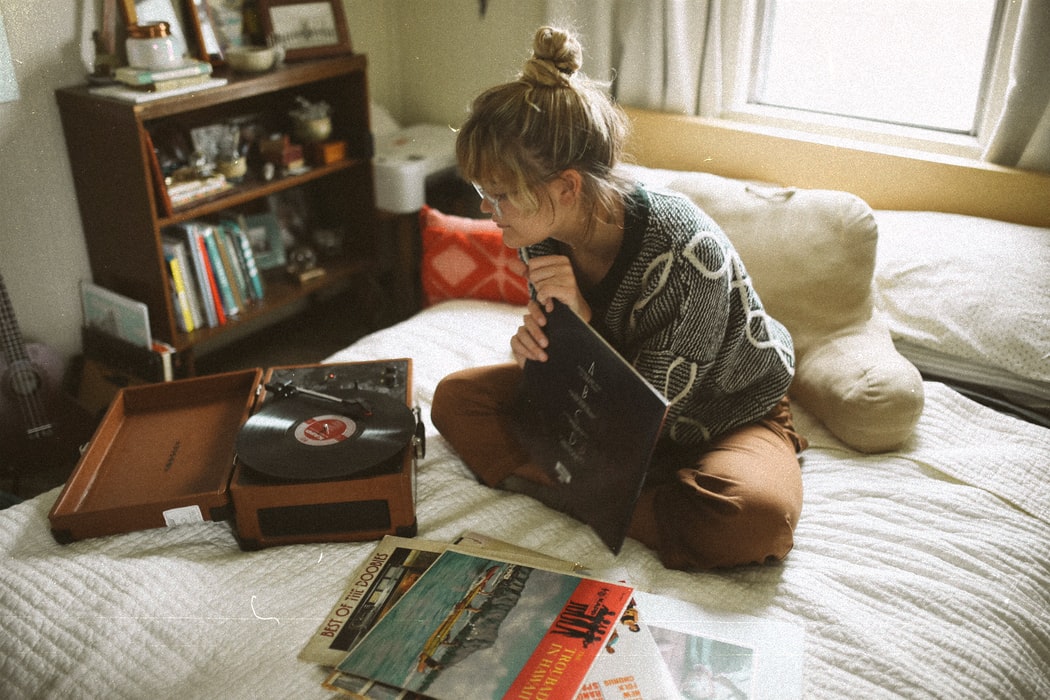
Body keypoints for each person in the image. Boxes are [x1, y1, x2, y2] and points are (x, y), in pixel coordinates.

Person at [431, 26, 806, 570]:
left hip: (729, 409)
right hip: (607, 410)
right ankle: (620, 498)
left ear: (566, 187)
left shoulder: (684, 250)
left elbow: (643, 416)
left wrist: (581, 326)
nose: (490, 209)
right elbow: (581, 389)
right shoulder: (540, 233)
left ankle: (585, 494)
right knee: (455, 399)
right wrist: (540, 348)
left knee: (754, 521)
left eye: (502, 194)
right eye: (483, 192)